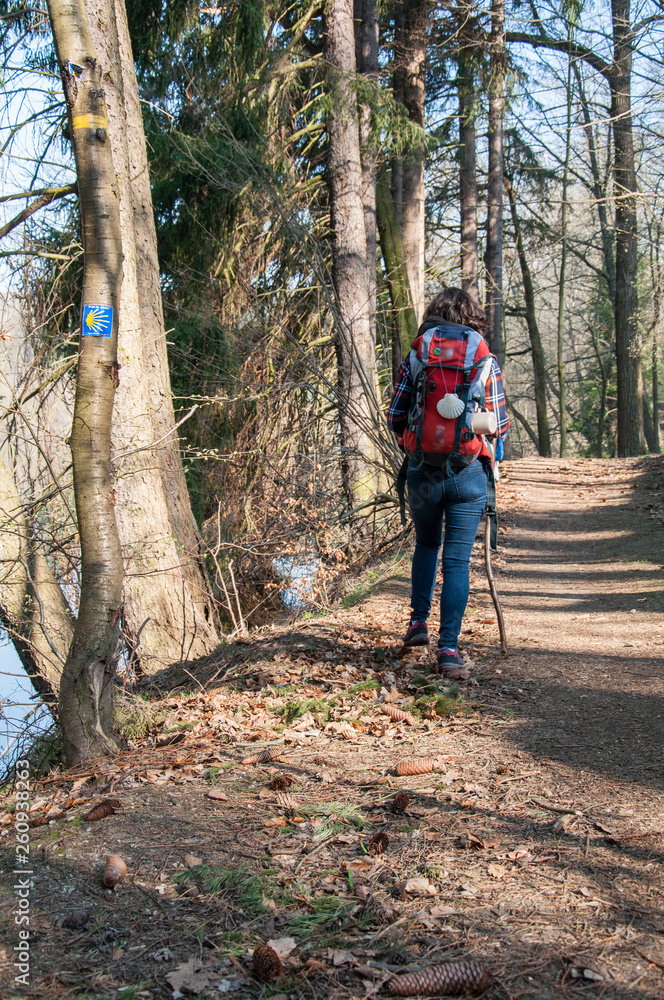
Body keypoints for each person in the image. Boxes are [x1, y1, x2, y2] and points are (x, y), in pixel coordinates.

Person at [387, 288, 509, 678]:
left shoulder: (418, 354)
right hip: (469, 472)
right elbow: (500, 424)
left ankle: (418, 623)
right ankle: (450, 650)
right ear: (472, 317)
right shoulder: (483, 358)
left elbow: (395, 416)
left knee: (426, 544)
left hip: (424, 471)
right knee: (457, 560)